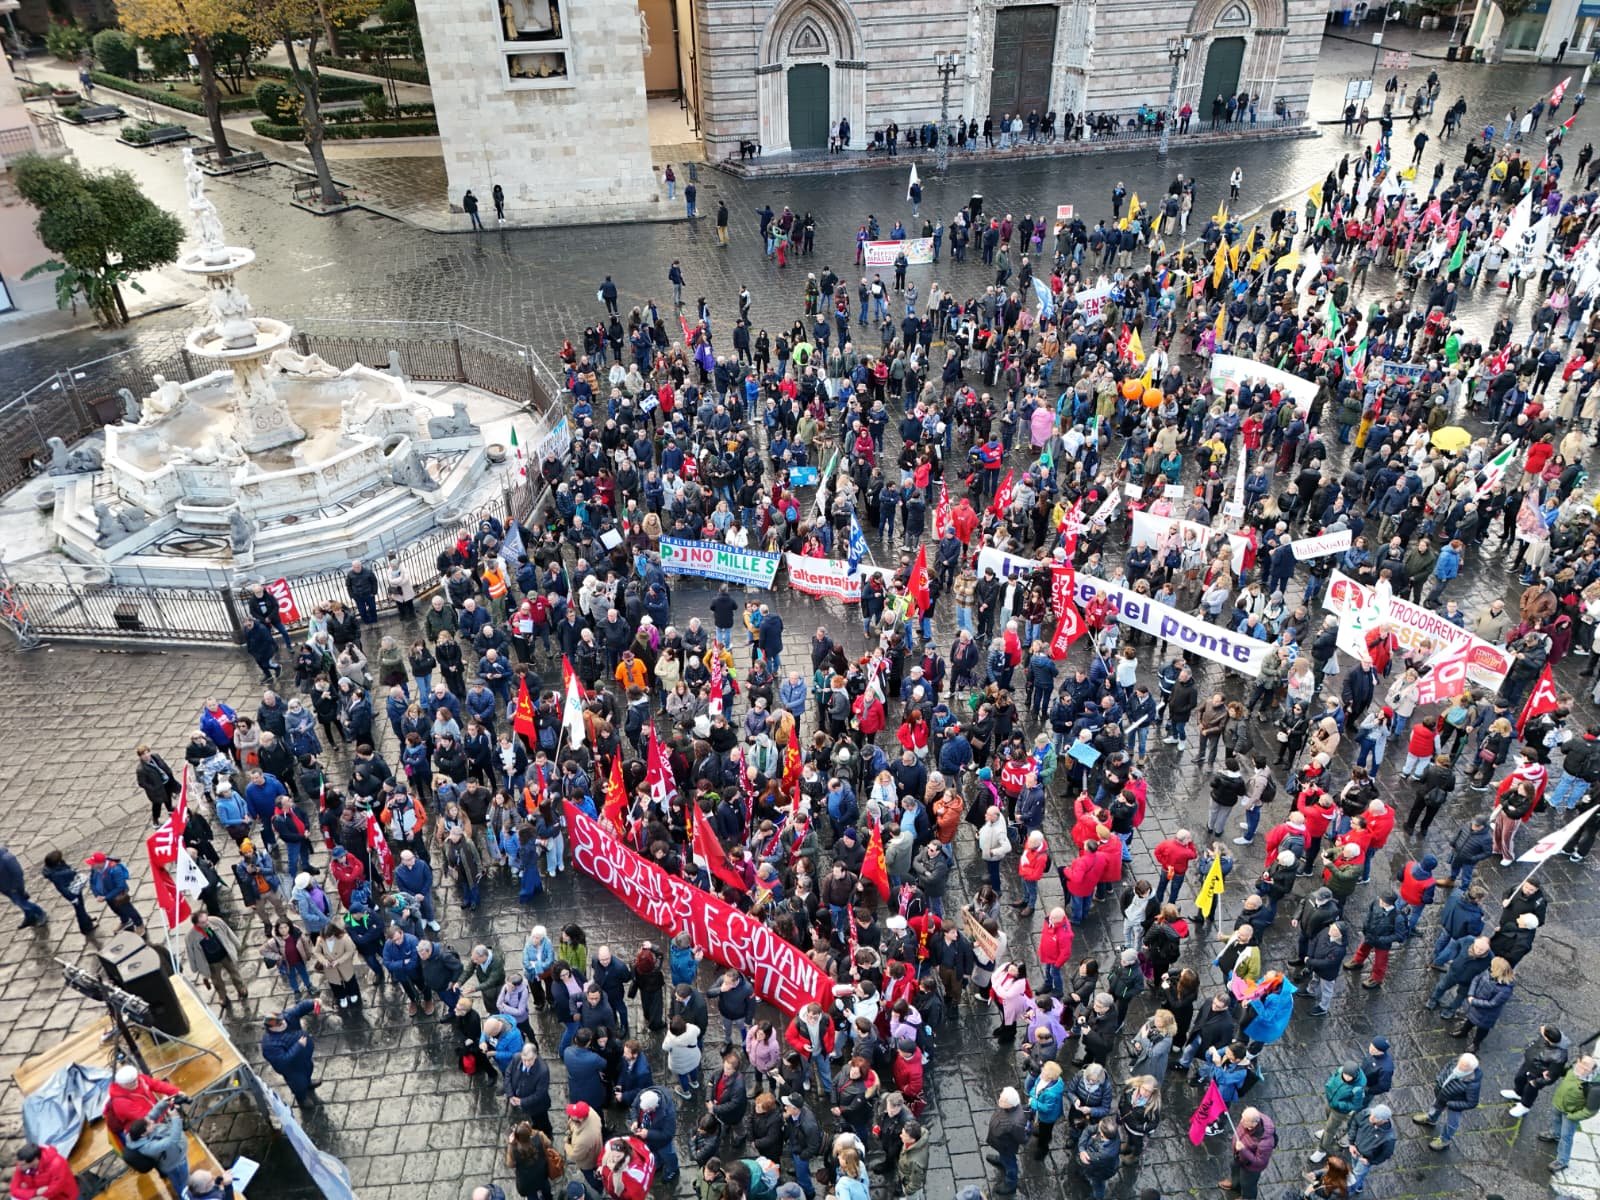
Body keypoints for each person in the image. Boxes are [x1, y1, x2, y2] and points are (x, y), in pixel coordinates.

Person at [1412, 1052, 1481, 1151]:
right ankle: (1431, 1119)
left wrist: (1452, 1104)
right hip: (1443, 1093)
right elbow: (1446, 1068)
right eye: (1459, 1064)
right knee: (1435, 1107)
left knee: (1452, 1123)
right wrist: (1439, 1079)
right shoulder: (1456, 1062)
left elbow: (1472, 1103)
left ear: (1470, 1069)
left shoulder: (1472, 1084)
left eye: (1462, 1067)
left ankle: (1444, 1140)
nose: (1458, 1067)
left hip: (1455, 1103)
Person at [182, 913, 250, 1012]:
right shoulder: (190, 937)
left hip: (225, 954)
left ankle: (241, 988)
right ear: (196, 924)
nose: (207, 923)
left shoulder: (216, 921)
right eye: (203, 922)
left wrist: (237, 944)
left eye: (206, 920)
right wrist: (194, 967)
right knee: (217, 980)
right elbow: (190, 952)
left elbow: (228, 932)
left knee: (234, 972)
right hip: (211, 961)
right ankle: (222, 996)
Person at [260, 1000, 322, 1107]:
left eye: (282, 1020)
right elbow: (281, 1063)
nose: (283, 1023)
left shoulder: (287, 1017)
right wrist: (299, 1046)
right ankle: (302, 1099)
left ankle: (308, 1083)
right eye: (279, 1023)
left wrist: (313, 1003)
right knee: (299, 1084)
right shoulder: (269, 1045)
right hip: (293, 1070)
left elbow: (299, 1008)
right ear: (272, 1027)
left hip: (304, 1059)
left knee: (308, 1070)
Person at [1220, 1106, 1275, 1199]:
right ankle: (1235, 1185)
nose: (1241, 1121)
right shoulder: (1249, 1118)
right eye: (1242, 1117)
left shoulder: (1265, 1142)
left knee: (1248, 1184)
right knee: (1234, 1168)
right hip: (1239, 1157)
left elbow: (1260, 1161)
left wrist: (1243, 1150)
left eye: (1245, 1120)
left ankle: (1248, 1198)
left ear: (1253, 1124)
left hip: (1251, 1167)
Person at [8, 1143, 78, 1200]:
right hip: (37, 1194)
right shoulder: (22, 1165)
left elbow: (55, 1188)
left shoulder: (57, 1164)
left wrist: (40, 1197)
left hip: (62, 1197)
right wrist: (35, 1192)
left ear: (35, 1160)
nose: (18, 1167)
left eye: (23, 1165)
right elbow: (14, 1190)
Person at [0, 846, 46, 930]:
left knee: (22, 902)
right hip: (4, 888)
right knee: (18, 902)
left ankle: (40, 913)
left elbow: (18, 873)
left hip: (12, 887)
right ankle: (30, 917)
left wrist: (16, 887)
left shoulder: (7, 859)